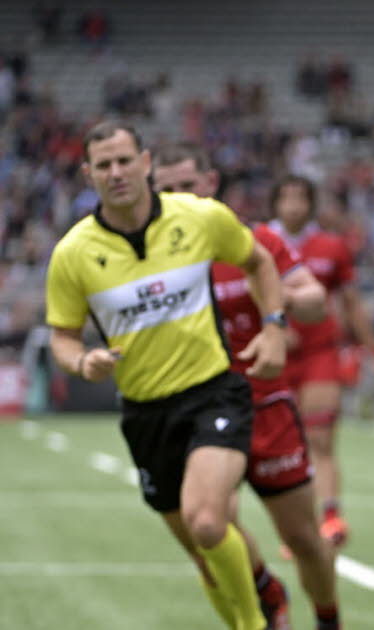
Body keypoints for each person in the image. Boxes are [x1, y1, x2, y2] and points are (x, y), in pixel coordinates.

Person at [45, 121, 287, 630]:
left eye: (124, 160)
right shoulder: (73, 254)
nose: (117, 173)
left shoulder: (199, 217)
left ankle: (256, 625)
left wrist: (273, 328)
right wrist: (81, 361)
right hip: (145, 413)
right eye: (104, 165)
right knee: (204, 556)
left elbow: (259, 262)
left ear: (146, 162)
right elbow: (62, 337)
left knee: (207, 522)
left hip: (213, 393)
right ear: (88, 173)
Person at [153, 143, 342, 630]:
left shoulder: (252, 241)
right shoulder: (150, 259)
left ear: (210, 184)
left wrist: (289, 306)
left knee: (303, 537)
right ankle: (264, 589)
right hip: (199, 412)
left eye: (187, 187)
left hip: (266, 407)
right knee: (210, 526)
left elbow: (313, 297)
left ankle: (327, 619)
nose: (179, 198)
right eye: (167, 190)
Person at [267, 175, 374, 548]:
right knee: (284, 445)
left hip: (320, 351)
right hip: (274, 354)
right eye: (286, 197)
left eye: (300, 198)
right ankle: (295, 526)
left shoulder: (331, 246)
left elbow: (352, 304)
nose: (293, 206)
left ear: (311, 203)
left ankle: (331, 516)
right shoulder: (259, 244)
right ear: (274, 202)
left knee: (320, 437)